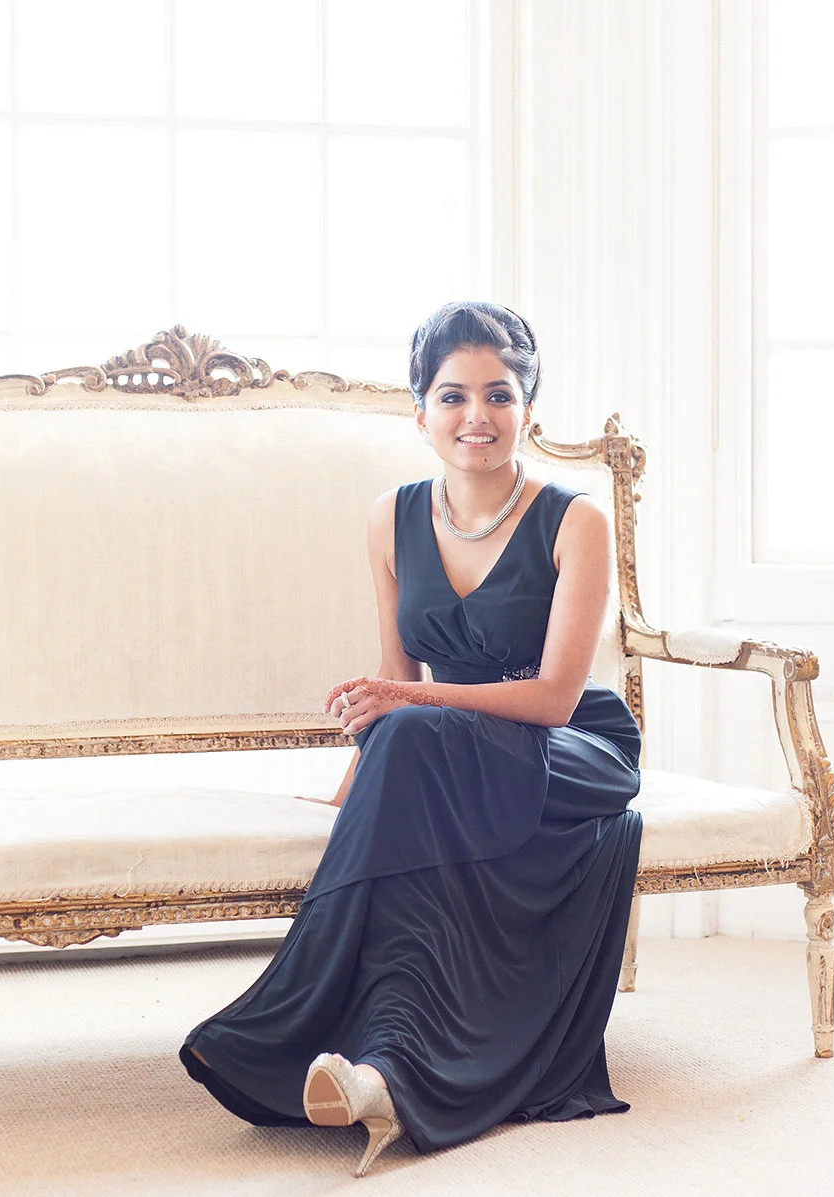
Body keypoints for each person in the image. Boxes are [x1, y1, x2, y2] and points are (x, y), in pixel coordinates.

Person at [180, 301, 644, 1177]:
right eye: (453, 395)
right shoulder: (390, 517)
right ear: (419, 412)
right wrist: (351, 796)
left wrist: (405, 703)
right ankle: (383, 1072)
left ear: (530, 411)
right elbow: (396, 683)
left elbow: (552, 698)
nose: (477, 415)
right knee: (412, 785)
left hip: (571, 750)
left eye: (499, 395)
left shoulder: (575, 520)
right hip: (445, 753)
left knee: (416, 736)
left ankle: (283, 1016)